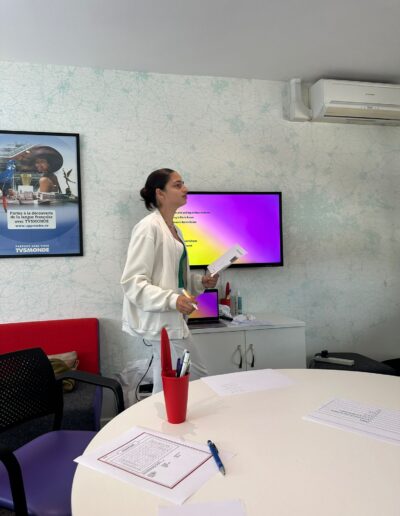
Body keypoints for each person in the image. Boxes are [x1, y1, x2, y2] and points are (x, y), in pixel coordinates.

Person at [120, 168, 219, 394]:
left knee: (169, 382)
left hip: (173, 320)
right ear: (160, 194)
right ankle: (163, 424)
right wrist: (172, 301)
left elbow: (175, 278)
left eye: (183, 183)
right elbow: (133, 282)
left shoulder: (175, 230)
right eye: (177, 185)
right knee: (186, 381)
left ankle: (159, 425)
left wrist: (200, 282)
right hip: (162, 321)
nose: (185, 189)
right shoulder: (148, 228)